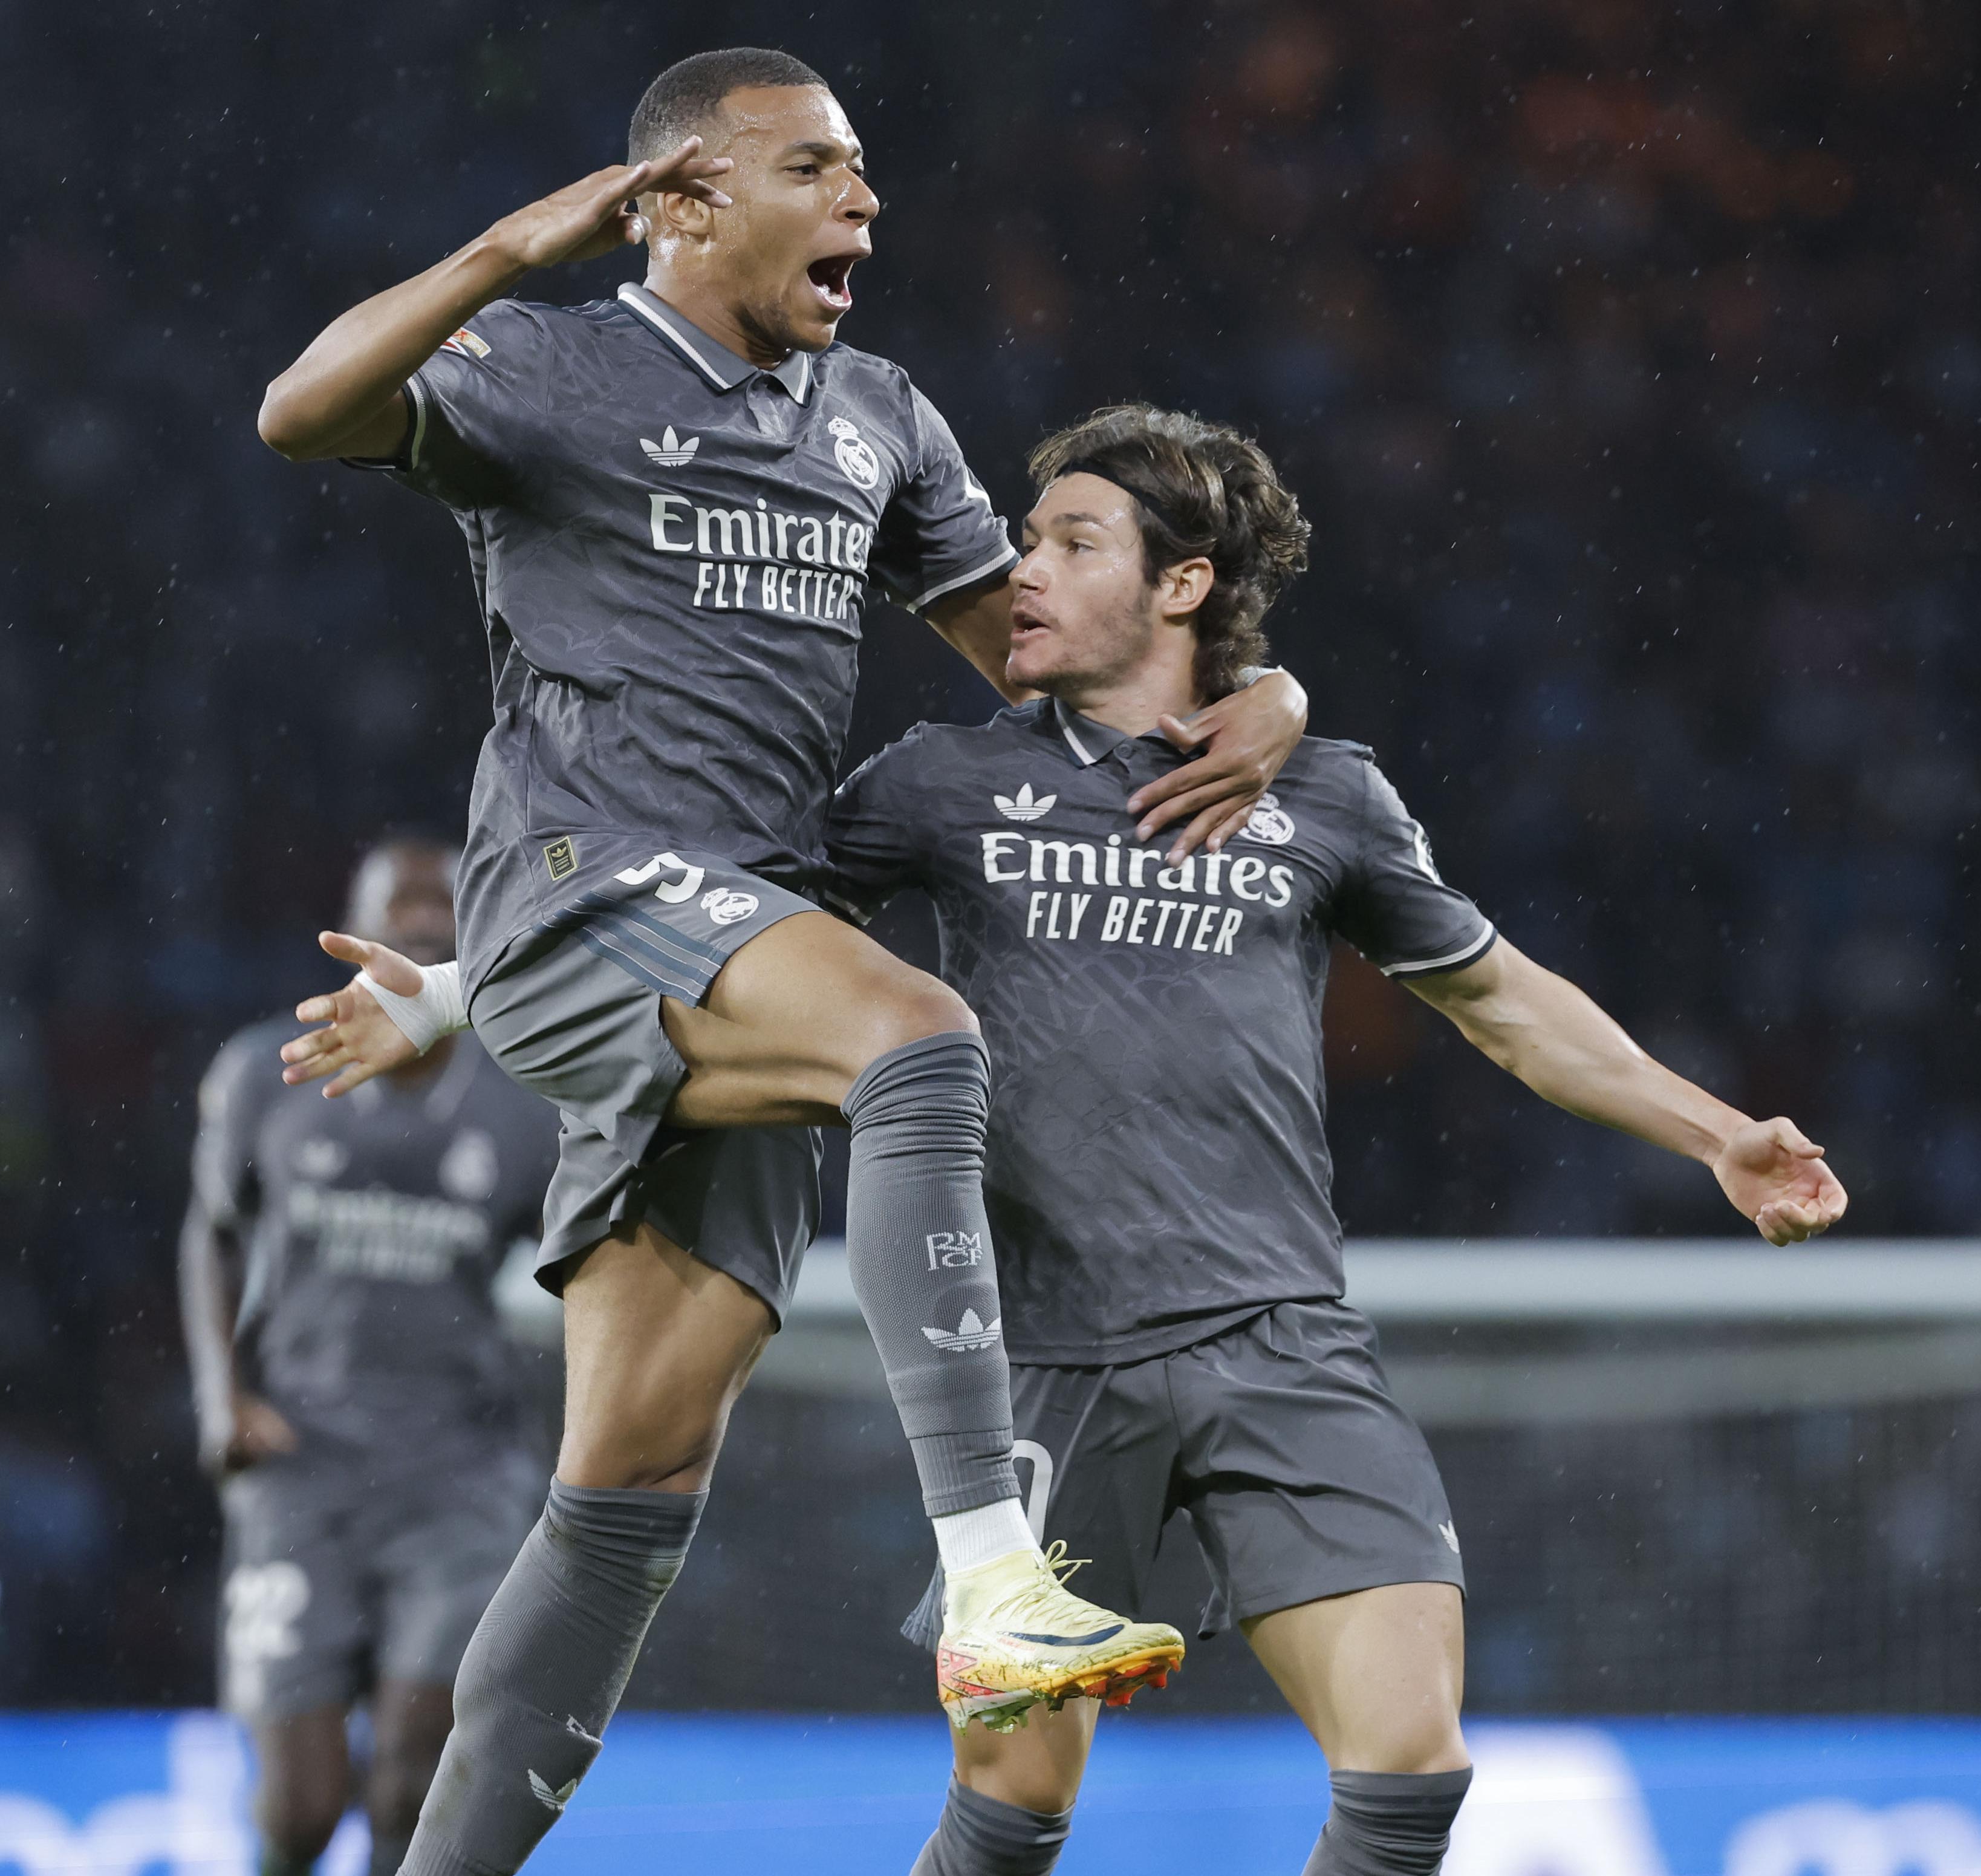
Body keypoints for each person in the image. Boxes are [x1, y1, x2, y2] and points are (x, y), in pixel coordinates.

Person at [257, 47, 1307, 1872]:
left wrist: (1259, 690)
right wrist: (521, 240)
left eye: (866, 175)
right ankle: (995, 1573)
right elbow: (298, 409)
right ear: (679, 198)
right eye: (814, 170)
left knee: (622, 1499)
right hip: (589, 893)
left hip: (733, 939)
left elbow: (1041, 661)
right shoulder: (558, 364)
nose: (863, 205)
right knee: (917, 1035)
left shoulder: (879, 415)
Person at [821, 405, 1846, 1876]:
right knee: (1008, 1816)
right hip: (1039, 1362)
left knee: (1407, 1772)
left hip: (1276, 1341)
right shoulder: (937, 782)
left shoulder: (1326, 795)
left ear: (1183, 586)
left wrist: (1717, 1136)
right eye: (1024, 538)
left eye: (1069, 540)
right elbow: (744, 934)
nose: (1019, 571)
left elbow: (1498, 999)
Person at [180, 841, 561, 1876]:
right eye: (403, 910)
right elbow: (210, 1232)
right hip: (300, 1465)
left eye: (446, 911)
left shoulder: (523, 1101)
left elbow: (589, 1264)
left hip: (457, 1475)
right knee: (300, 1807)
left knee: (410, 1775)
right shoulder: (267, 1073)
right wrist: (222, 1400)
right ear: (351, 932)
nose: (426, 925)